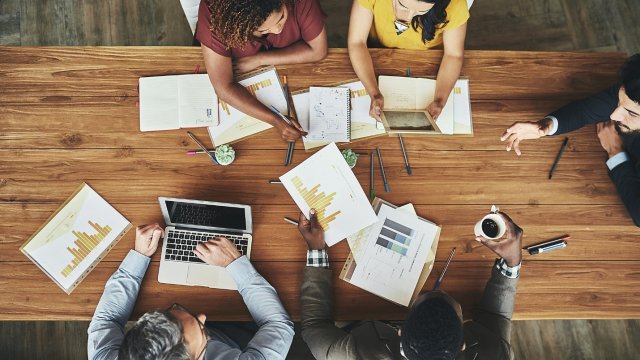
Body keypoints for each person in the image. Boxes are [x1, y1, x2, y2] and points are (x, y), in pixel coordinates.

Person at [298, 209, 523, 360]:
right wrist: (511, 262)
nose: (438, 290)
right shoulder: (496, 354)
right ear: (463, 343)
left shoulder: (354, 355)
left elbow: (315, 327)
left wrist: (316, 251)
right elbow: (495, 318)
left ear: (399, 331)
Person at [87, 223, 294, 359]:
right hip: (241, 337)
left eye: (171, 311)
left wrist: (139, 256)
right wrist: (236, 264)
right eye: (202, 332)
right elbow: (277, 325)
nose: (203, 316)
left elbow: (107, 321)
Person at [501, 53, 640, 227]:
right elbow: (585, 111)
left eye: (631, 113)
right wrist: (545, 126)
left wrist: (615, 153)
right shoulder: (634, 90)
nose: (614, 115)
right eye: (620, 103)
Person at [196, 0, 328, 142]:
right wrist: (276, 120)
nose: (277, 30)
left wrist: (260, 60)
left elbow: (318, 51)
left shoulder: (301, 2)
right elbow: (223, 87)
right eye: (263, 31)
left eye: (282, 16)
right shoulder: (216, 14)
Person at [348, 0, 469, 122]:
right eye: (403, 7)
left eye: (422, 11)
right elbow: (357, 42)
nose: (409, 17)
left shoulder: (456, 4)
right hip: (378, 51)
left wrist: (440, 99)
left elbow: (453, 55)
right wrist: (374, 93)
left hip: (428, 59)